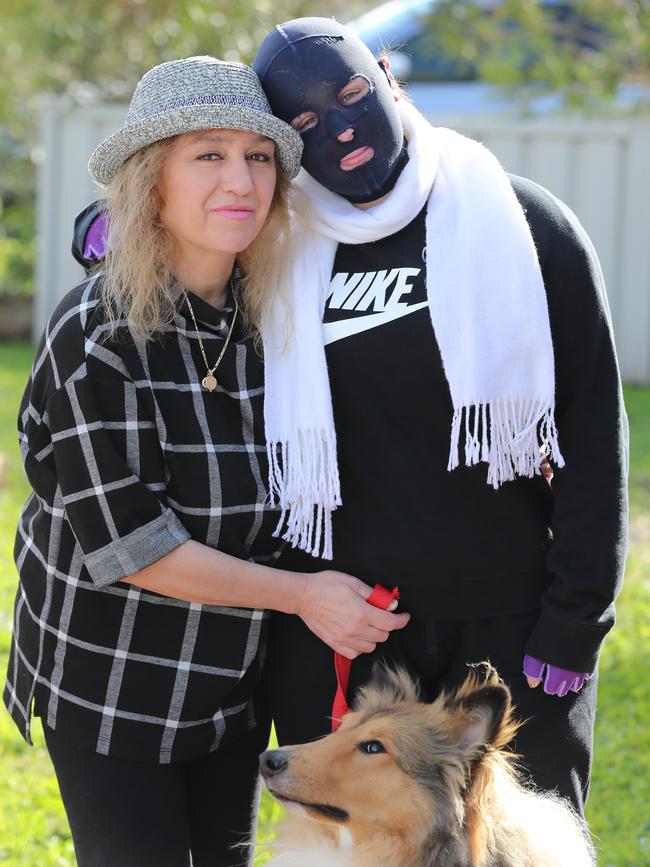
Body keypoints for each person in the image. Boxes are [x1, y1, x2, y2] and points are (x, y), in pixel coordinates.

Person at [3, 55, 410, 867]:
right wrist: (305, 597)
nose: (241, 180)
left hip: (229, 688)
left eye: (259, 157)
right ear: (152, 181)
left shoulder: (268, 320)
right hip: (114, 682)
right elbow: (133, 547)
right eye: (209, 155)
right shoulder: (98, 336)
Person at [249, 17, 628, 818]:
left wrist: (576, 617)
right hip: (346, 631)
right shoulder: (274, 248)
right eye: (307, 124)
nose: (342, 131)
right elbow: (177, 239)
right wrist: (107, 232)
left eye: (353, 95)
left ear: (389, 75)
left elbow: (593, 433)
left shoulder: (522, 224)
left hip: (512, 634)